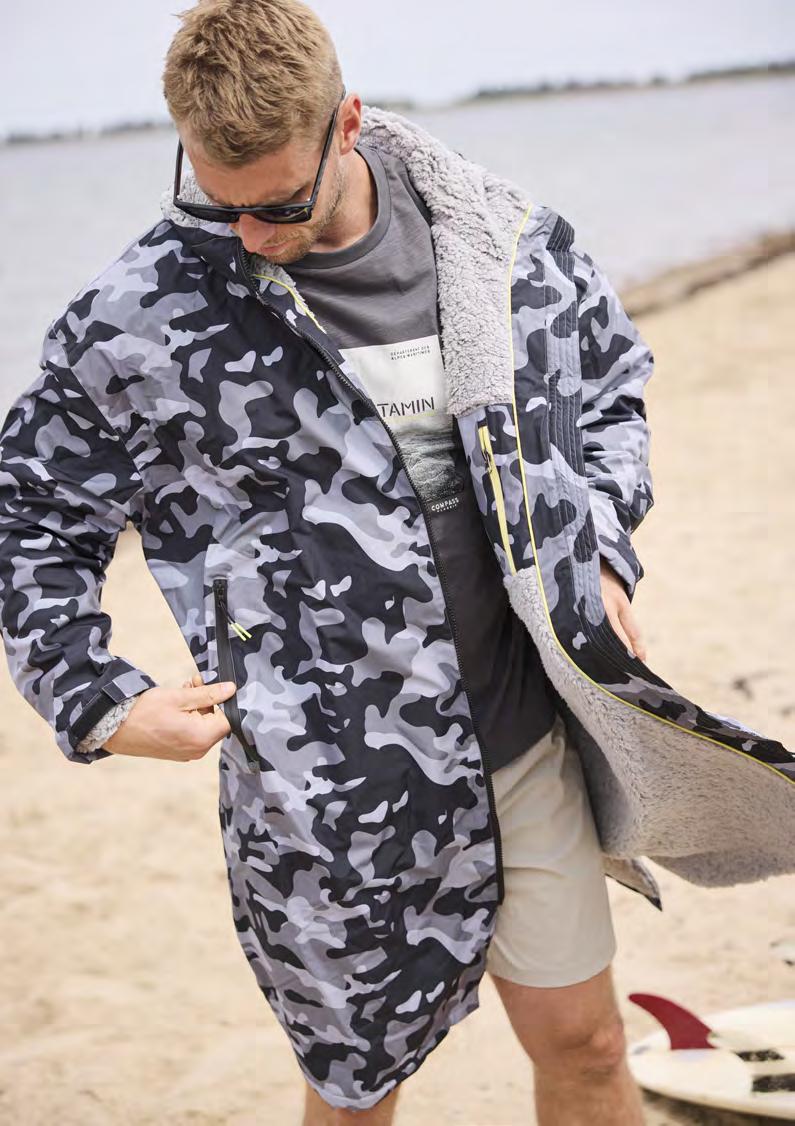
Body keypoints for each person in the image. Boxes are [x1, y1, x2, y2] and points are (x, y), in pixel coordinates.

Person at [3, 1, 794, 1123]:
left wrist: (603, 553)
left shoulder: (503, 243)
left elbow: (609, 388)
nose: (249, 236)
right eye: (215, 202)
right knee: (358, 1091)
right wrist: (97, 699)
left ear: (348, 124)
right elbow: (31, 512)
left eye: (278, 203)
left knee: (587, 1044)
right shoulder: (140, 316)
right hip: (329, 795)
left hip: (527, 738)